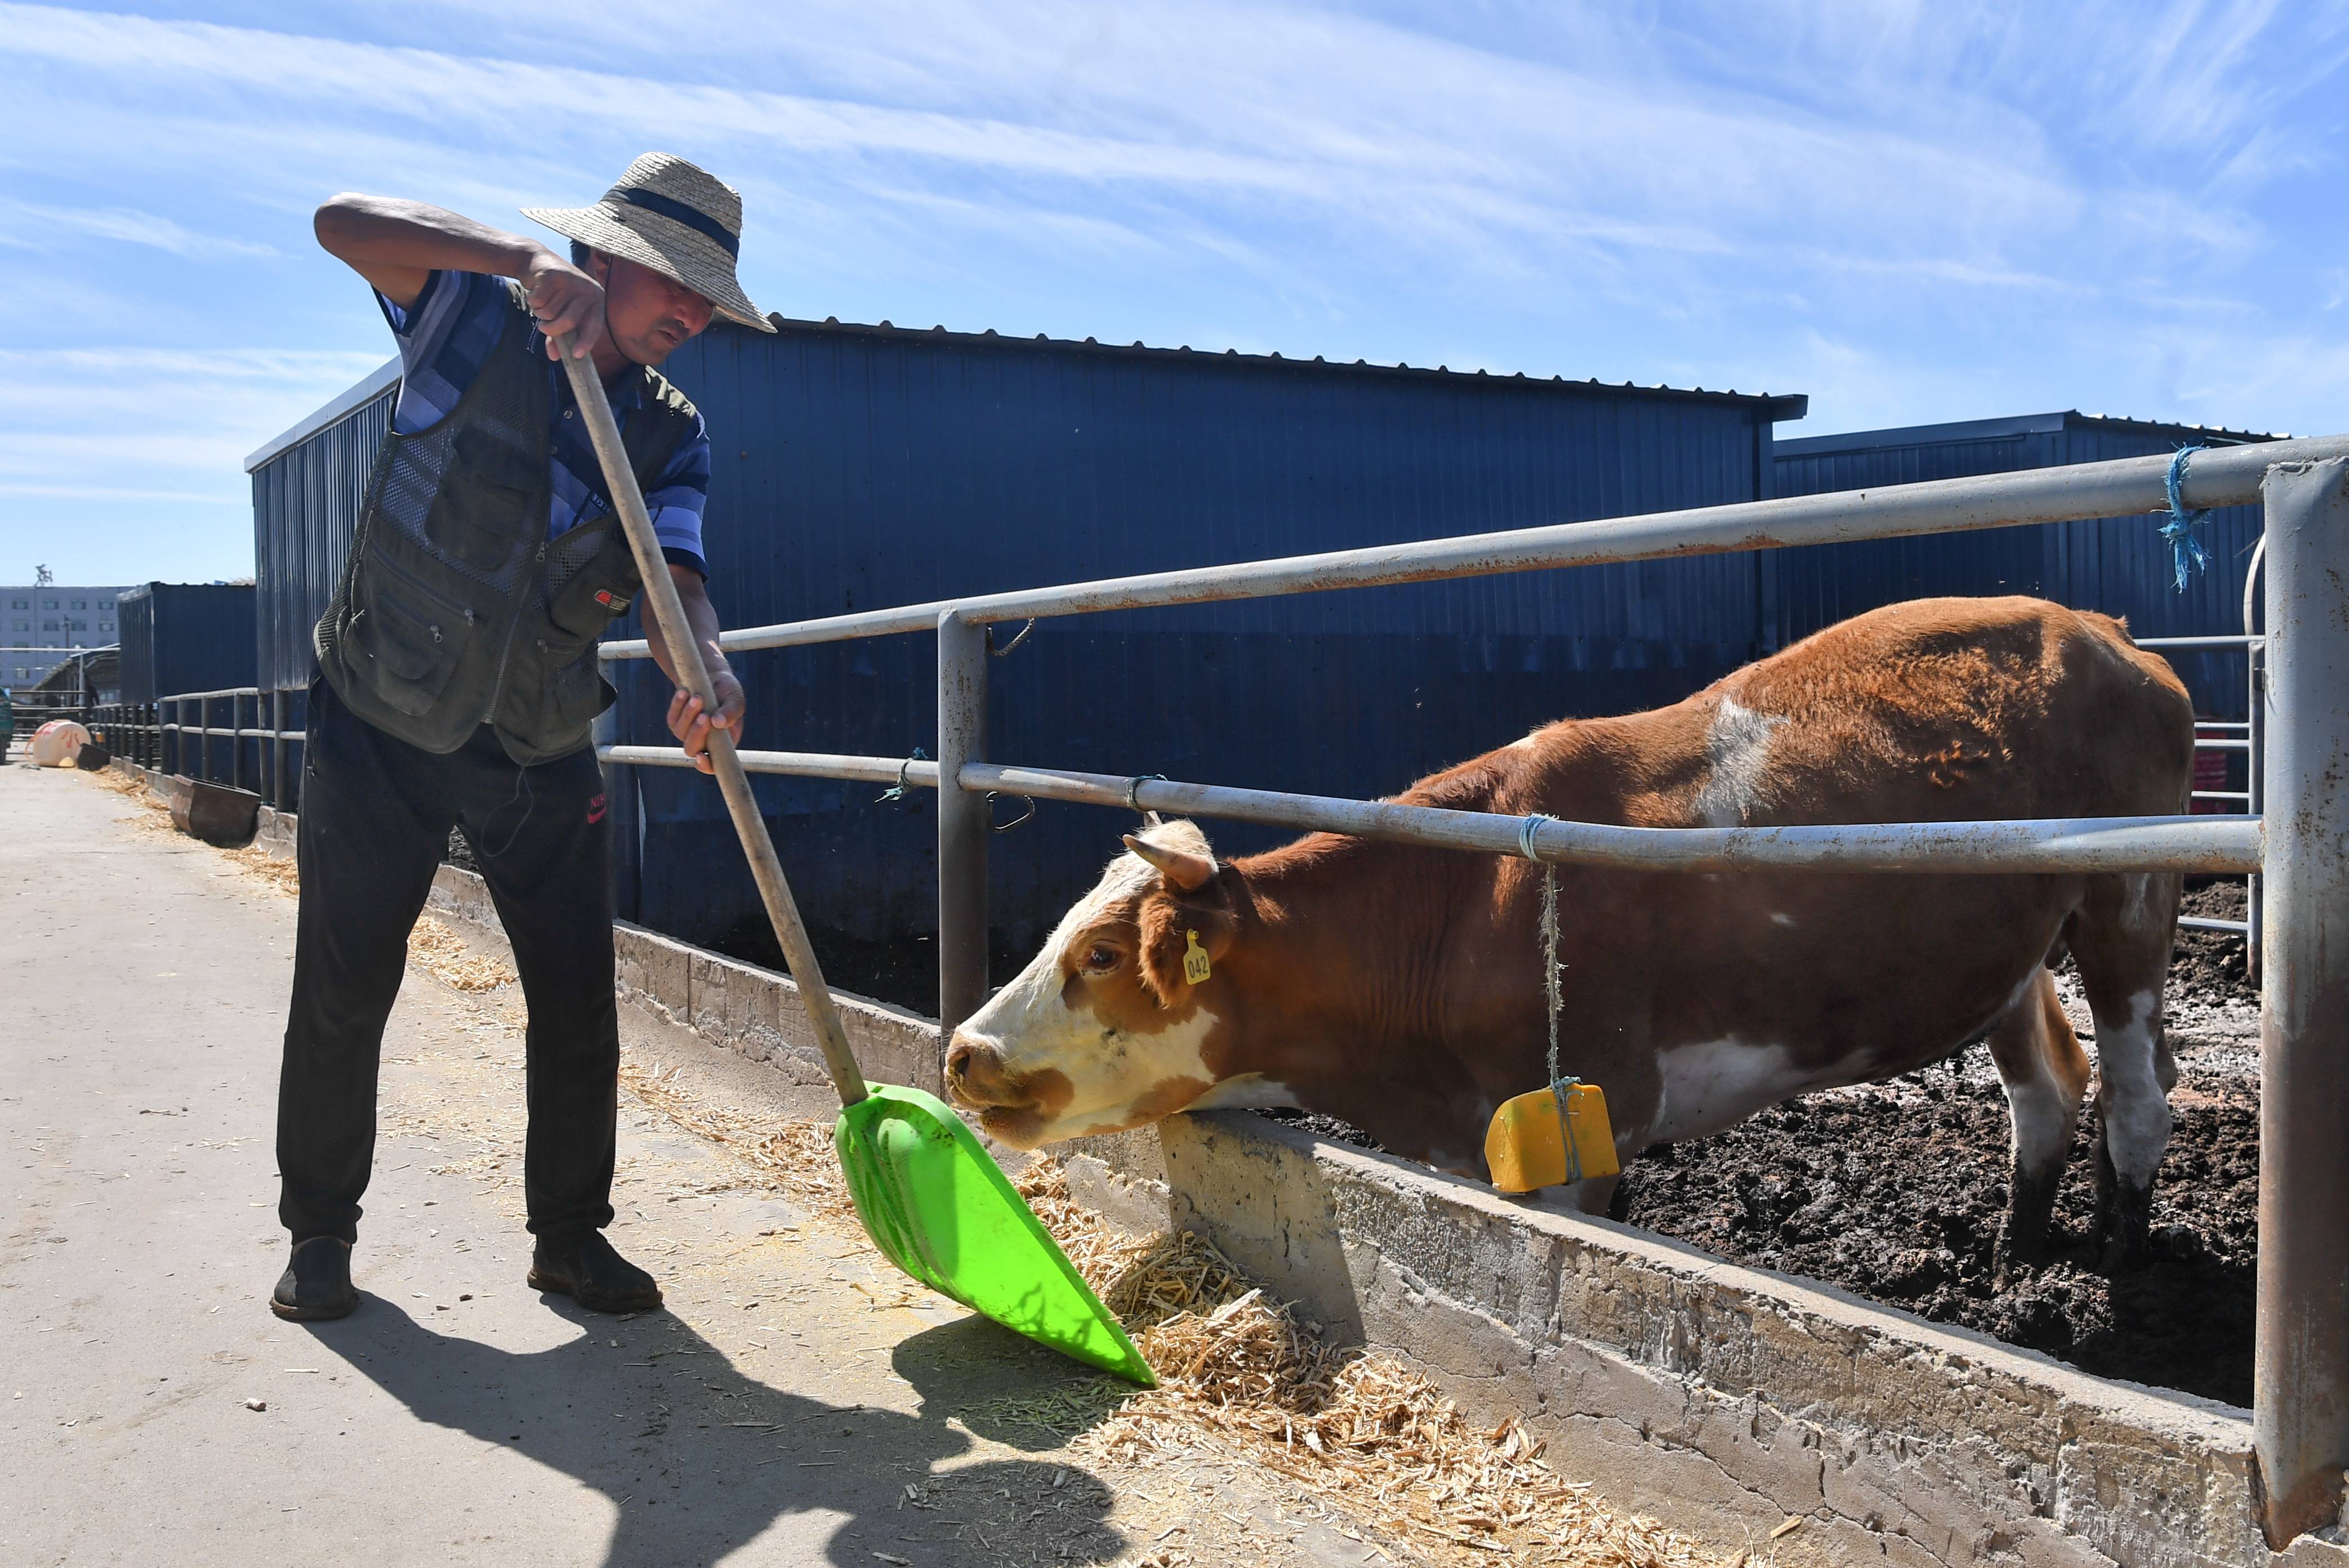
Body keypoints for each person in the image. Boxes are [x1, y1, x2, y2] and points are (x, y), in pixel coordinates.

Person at [270, 153, 772, 1321]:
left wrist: (708, 665)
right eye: (674, 286)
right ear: (604, 257)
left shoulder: (668, 433)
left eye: (707, 300)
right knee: (346, 983)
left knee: (576, 993)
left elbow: (675, 583)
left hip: (539, 738)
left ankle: (569, 1238)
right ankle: (320, 1234)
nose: (691, 316)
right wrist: (517, 258)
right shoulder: (468, 322)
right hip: (382, 715)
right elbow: (337, 216)